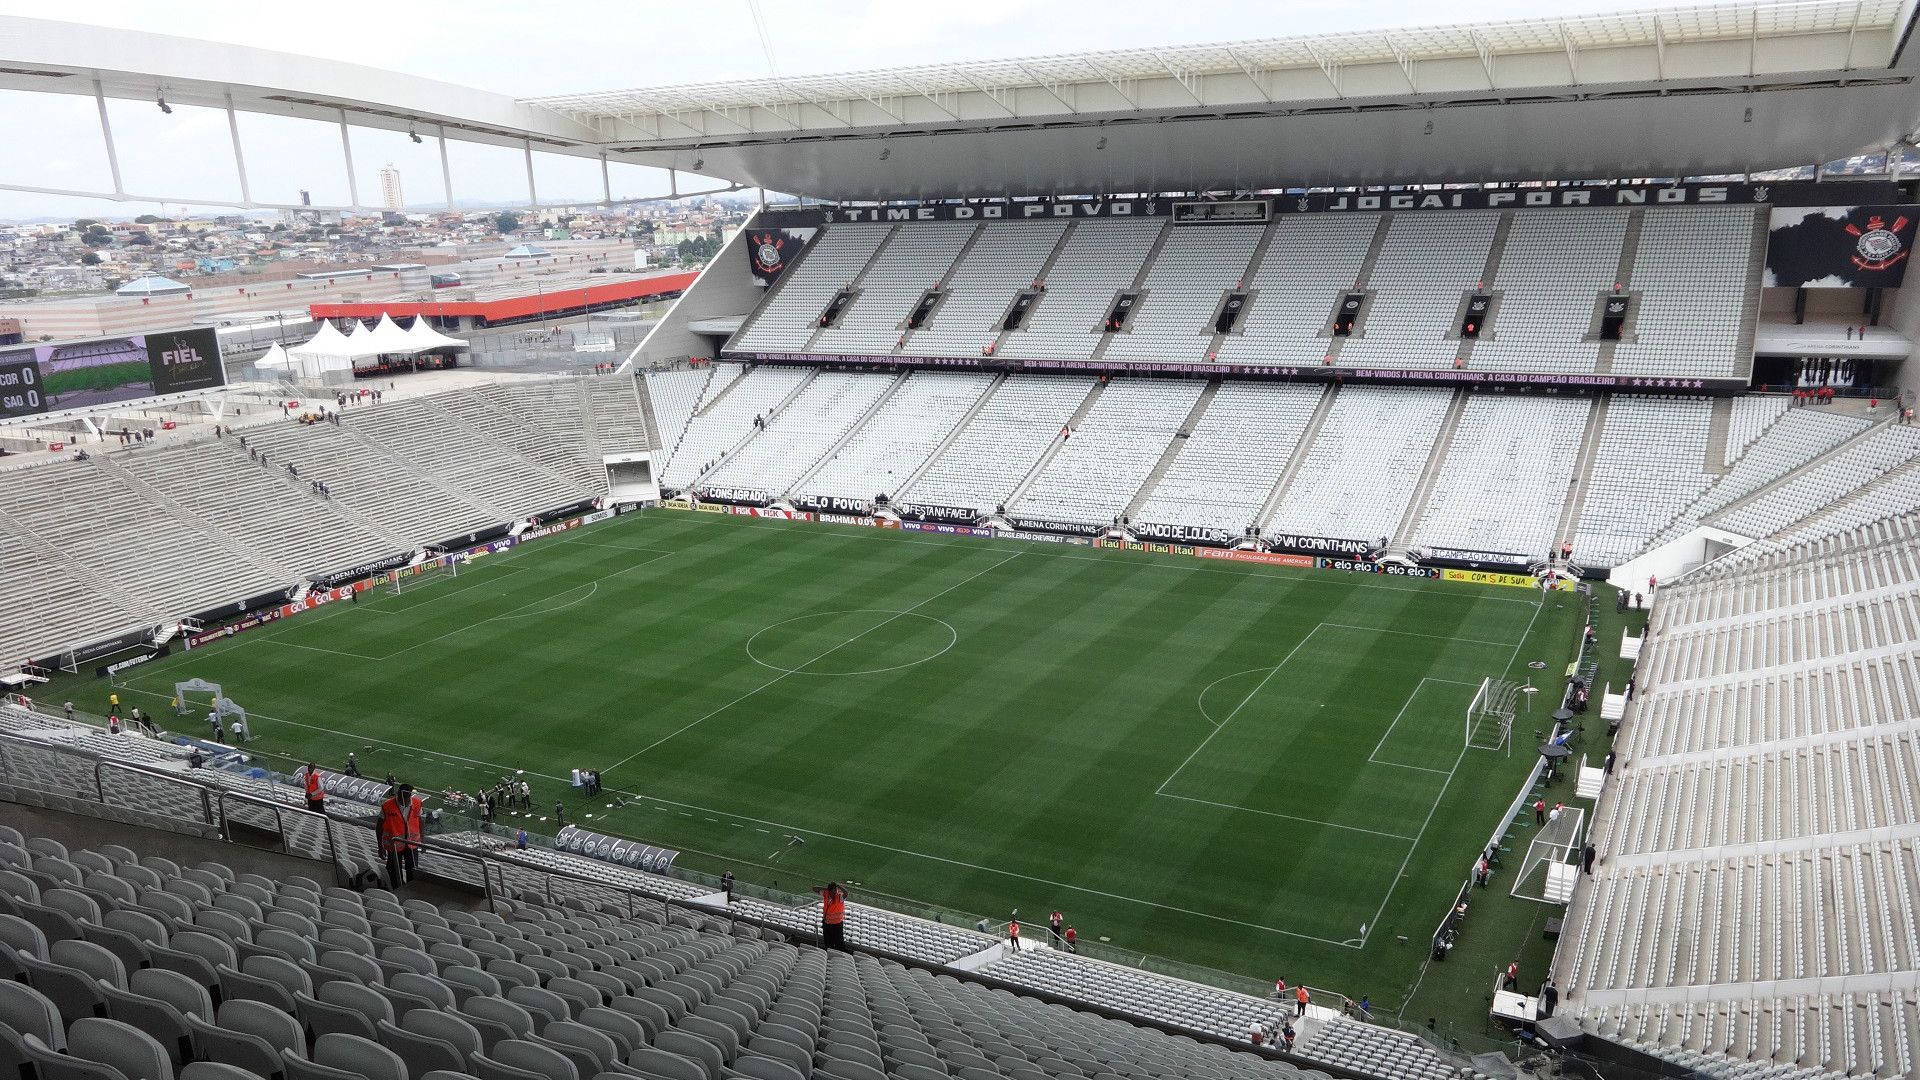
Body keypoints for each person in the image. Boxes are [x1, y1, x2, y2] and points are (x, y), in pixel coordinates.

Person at [379, 783, 425, 888]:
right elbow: (379, 826)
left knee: (412, 872)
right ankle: (397, 890)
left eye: (408, 797)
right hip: (394, 845)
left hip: (411, 844)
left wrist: (423, 841)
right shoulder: (387, 805)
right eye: (403, 797)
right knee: (394, 871)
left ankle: (411, 890)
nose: (406, 800)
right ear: (398, 795)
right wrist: (380, 846)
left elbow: (421, 822)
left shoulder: (417, 803)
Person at [814, 882, 848, 951]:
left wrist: (839, 887)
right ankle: (829, 951)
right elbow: (814, 888)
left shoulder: (839, 897)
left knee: (839, 942)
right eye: (833, 891)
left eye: (836, 890)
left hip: (837, 924)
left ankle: (840, 953)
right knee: (828, 941)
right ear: (829, 891)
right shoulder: (826, 894)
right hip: (827, 923)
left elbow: (846, 893)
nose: (835, 892)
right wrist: (826, 889)